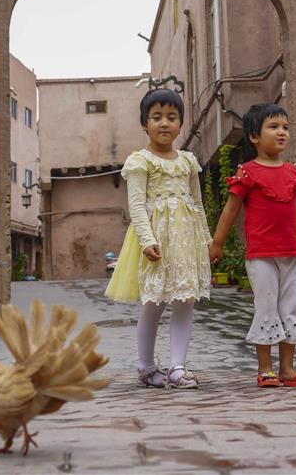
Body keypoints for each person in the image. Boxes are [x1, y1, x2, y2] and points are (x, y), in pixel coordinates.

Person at [209, 103, 296, 388]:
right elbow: (230, 210)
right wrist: (217, 243)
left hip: (293, 252)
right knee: (266, 307)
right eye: (274, 127)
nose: (282, 133)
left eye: (286, 128)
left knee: (291, 308)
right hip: (261, 255)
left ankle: (288, 370)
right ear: (254, 136)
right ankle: (265, 369)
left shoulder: (294, 173)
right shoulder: (247, 173)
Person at [105, 89, 211, 389]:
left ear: (181, 125)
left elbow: (198, 203)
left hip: (186, 240)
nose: (164, 123)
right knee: (153, 303)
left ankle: (178, 367)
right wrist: (147, 239)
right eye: (156, 117)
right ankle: (146, 366)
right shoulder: (141, 161)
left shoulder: (189, 161)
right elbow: (136, 205)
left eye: (172, 118)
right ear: (144, 124)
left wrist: (205, 240)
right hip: (157, 241)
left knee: (184, 301)